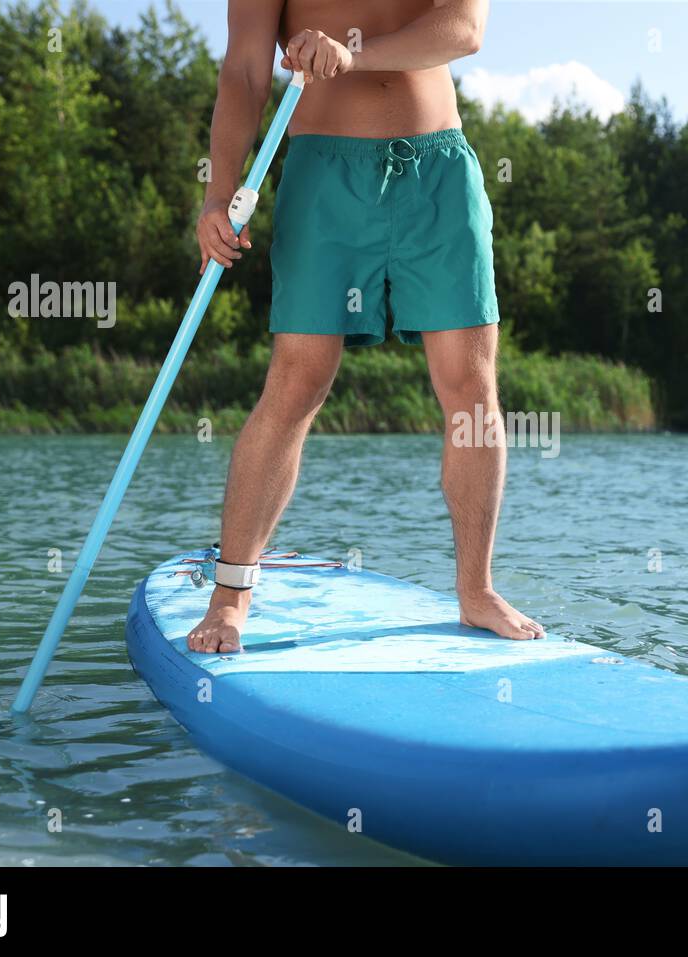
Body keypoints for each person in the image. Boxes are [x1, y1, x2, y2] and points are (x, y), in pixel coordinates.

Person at [186, 0, 543, 653]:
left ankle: (476, 589)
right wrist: (221, 191)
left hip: (437, 170)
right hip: (323, 173)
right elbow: (243, 72)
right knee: (298, 380)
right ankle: (231, 594)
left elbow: (464, 30)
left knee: (471, 385)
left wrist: (354, 52)